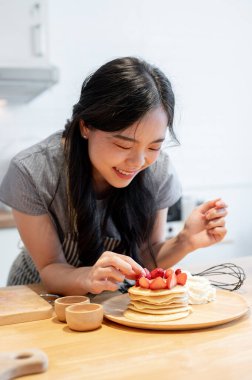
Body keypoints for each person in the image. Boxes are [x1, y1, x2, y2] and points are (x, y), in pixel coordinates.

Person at [0, 57, 227, 296]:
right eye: (123, 145)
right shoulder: (33, 171)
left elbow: (145, 260)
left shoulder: (158, 171)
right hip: (40, 295)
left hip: (111, 299)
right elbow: (50, 268)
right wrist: (88, 277)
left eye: (153, 147)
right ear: (86, 126)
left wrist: (185, 240)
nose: (139, 163)